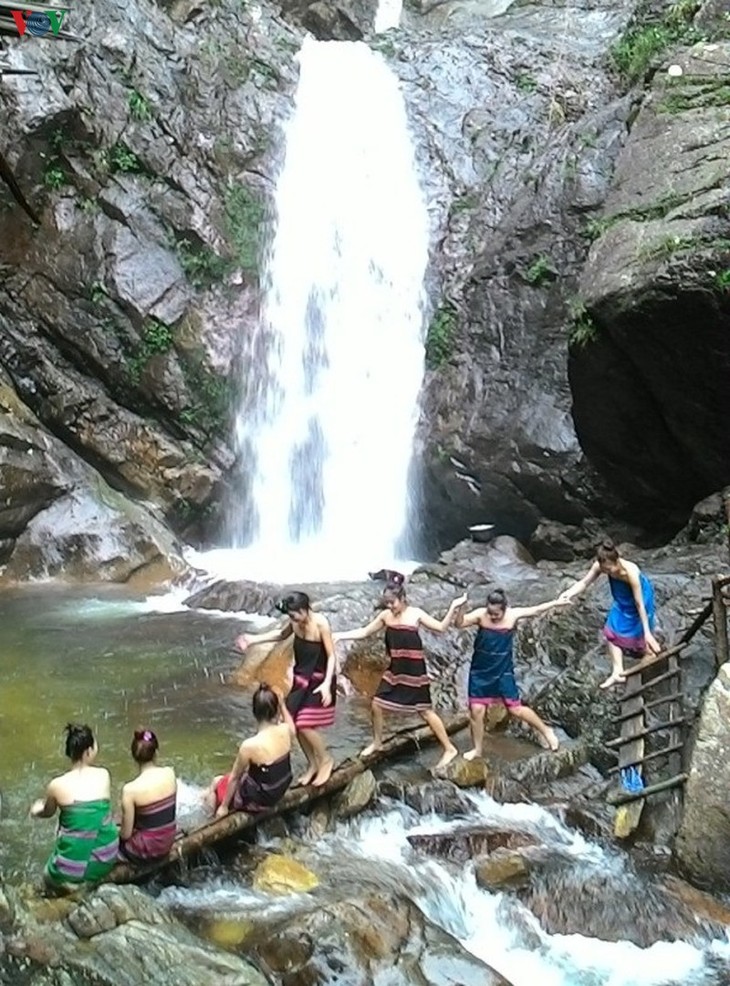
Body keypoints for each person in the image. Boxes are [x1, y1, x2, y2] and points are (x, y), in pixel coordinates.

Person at [333, 577, 467, 769]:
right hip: (395, 670)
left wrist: (454, 606)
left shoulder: (416, 614)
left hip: (414, 671)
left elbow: (441, 627)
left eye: (392, 602)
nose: (390, 606)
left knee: (425, 711)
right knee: (377, 704)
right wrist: (341, 635)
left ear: (403, 598)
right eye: (386, 603)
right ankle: (377, 742)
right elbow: (365, 632)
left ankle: (449, 748)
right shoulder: (386, 616)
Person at [235, 591, 337, 787]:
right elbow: (281, 635)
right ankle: (312, 764)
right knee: (295, 726)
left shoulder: (321, 624)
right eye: (290, 617)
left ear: (305, 610)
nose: (293, 620)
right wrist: (253, 639)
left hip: (319, 680)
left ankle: (325, 760)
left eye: (295, 615)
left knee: (305, 724)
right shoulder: (295, 623)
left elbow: (331, 656)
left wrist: (326, 685)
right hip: (301, 681)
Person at [455, 588, 567, 758]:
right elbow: (459, 623)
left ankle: (547, 730)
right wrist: (461, 608)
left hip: (502, 671)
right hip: (480, 671)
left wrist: (556, 602)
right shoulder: (480, 615)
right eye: (490, 613)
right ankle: (477, 750)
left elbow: (536, 609)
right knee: (476, 711)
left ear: (504, 609)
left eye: (496, 614)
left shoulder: (513, 615)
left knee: (515, 709)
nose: (493, 617)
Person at [558, 539, 660, 689]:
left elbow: (639, 603)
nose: (607, 573)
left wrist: (647, 632)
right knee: (611, 631)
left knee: (638, 633)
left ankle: (648, 650)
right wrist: (568, 593)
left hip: (639, 598)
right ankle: (617, 671)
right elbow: (585, 582)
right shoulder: (601, 566)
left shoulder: (631, 572)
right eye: (605, 570)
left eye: (610, 570)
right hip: (621, 599)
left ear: (617, 561)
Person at [30, 724, 119, 892]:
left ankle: (71, 883)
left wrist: (36, 809)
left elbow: (47, 812)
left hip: (68, 871)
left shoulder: (56, 784)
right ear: (89, 751)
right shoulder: (103, 775)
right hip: (106, 859)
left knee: (47, 875)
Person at [209, 683, 295, 818]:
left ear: (254, 712)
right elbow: (292, 727)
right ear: (276, 710)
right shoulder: (285, 730)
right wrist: (283, 705)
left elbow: (234, 778)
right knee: (222, 780)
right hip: (278, 790)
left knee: (215, 783)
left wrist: (224, 807)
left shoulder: (249, 746)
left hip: (260, 800)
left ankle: (211, 818)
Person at [118, 729, 177, 864]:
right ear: (156, 752)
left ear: (134, 757)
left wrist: (117, 832)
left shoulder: (129, 790)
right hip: (168, 842)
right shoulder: (170, 773)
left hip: (146, 851)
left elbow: (126, 834)